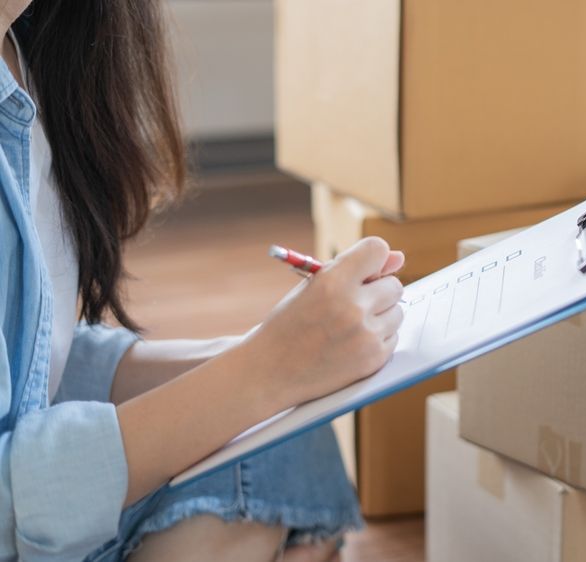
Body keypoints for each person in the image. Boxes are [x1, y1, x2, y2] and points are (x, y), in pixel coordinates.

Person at [0, 1, 406, 560]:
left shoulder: (24, 55)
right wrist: (264, 369)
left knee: (283, 437)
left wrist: (261, 355)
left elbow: (33, 364)